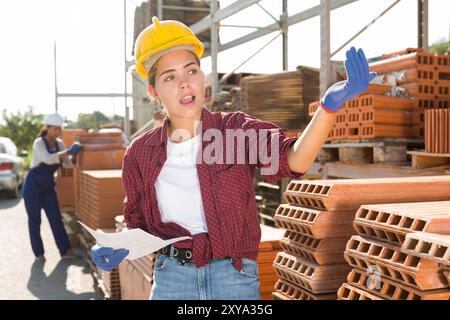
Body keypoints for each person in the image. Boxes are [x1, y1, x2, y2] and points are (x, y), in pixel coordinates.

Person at [90, 17, 376, 300]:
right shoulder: (140, 153)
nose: (184, 84)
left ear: (203, 77)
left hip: (234, 277)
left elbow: (294, 160)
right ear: (153, 91)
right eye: (170, 77)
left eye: (191, 71)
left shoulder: (235, 131)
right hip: (172, 278)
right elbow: (136, 221)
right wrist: (117, 245)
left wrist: (328, 107)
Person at [23, 112, 82, 262]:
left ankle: (65, 250)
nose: (58, 132)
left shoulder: (60, 144)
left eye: (59, 129)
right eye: (55, 129)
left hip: (48, 186)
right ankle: (38, 254)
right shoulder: (39, 143)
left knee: (56, 218)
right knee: (35, 220)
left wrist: (75, 155)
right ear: (47, 128)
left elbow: (68, 164)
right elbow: (48, 160)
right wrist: (68, 152)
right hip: (33, 186)